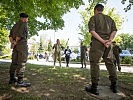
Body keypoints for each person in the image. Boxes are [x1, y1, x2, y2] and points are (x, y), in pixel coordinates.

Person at [85, 4, 118, 95]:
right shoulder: (109, 19)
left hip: (97, 43)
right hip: (108, 44)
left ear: (95, 10)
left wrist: (102, 41)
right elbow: (114, 30)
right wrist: (109, 41)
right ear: (102, 10)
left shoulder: (93, 18)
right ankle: (114, 85)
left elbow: (92, 31)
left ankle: (94, 87)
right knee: (110, 63)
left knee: (95, 63)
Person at [9, 13, 31, 87]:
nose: (27, 20)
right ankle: (20, 81)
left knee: (14, 62)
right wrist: (15, 42)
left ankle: (12, 78)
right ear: (24, 18)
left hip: (15, 47)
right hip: (21, 45)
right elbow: (19, 35)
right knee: (22, 62)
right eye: (27, 19)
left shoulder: (15, 25)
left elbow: (10, 36)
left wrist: (13, 43)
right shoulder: (24, 24)